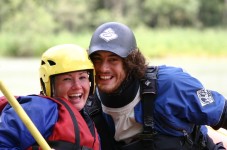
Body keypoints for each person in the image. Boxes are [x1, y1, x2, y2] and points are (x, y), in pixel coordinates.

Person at [85, 22, 227, 150]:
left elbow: (223, 114)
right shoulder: (87, 104)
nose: (103, 68)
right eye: (97, 59)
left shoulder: (170, 84)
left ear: (130, 62)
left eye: (113, 60)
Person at [0, 44, 100, 150]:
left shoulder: (89, 120)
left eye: (82, 77)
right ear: (48, 84)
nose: (77, 86)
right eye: (67, 79)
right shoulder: (39, 109)